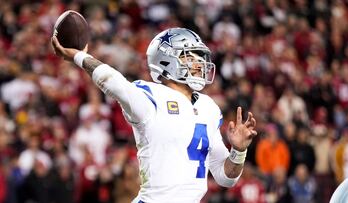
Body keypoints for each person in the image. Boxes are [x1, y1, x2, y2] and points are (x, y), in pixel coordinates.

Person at [51, 27, 257, 203]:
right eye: (190, 56)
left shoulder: (208, 107)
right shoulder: (150, 97)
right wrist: (79, 56)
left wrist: (238, 151)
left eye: (200, 58)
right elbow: (113, 81)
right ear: (166, 60)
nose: (198, 64)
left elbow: (225, 177)